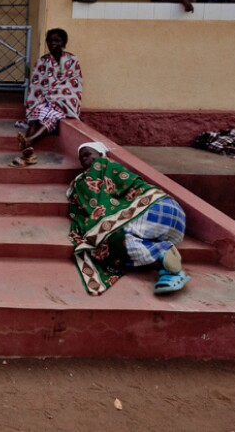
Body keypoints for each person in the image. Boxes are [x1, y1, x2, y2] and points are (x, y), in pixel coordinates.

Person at [68, 142, 191, 296]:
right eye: (81, 158)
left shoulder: (101, 166)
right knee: (125, 237)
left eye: (88, 154)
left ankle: (163, 254)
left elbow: (95, 203)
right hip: (173, 216)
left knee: (108, 241)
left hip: (152, 208)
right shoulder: (116, 169)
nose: (85, 159)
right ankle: (167, 265)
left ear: (101, 155)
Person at [11, 28, 83, 167]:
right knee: (36, 115)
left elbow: (74, 83)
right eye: (50, 40)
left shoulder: (72, 60)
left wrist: (57, 95)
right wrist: (42, 100)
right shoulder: (42, 61)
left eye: (57, 40)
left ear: (64, 42)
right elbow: (36, 84)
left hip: (64, 101)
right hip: (44, 99)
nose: (53, 43)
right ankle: (29, 152)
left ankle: (28, 143)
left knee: (51, 114)